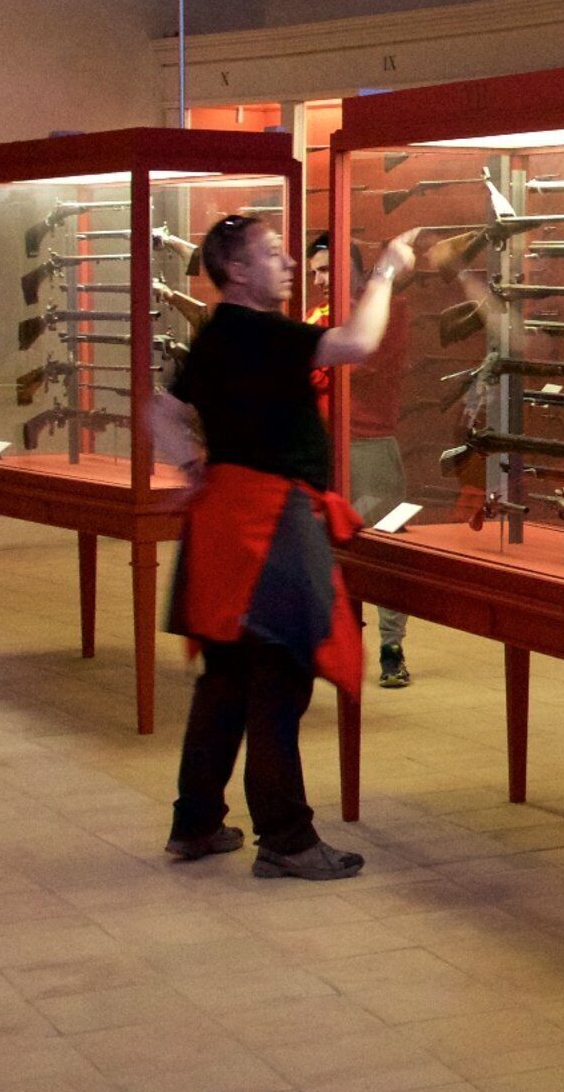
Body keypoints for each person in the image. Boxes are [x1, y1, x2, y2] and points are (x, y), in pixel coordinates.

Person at [153, 212, 418, 880]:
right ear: (238, 271)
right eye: (273, 254)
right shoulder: (264, 334)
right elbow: (358, 343)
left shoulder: (219, 334)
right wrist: (385, 271)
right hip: (268, 524)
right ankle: (288, 838)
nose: (290, 263)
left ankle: (197, 823)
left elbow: (157, 407)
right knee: (278, 681)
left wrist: (190, 466)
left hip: (225, 521)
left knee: (226, 680)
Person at [308, 232, 413, 690]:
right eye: (315, 272)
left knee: (385, 552)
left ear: (353, 267)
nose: (320, 279)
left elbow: (360, 363)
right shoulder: (318, 316)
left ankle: (392, 646)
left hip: (370, 446)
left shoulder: (389, 309)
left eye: (328, 270)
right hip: (326, 449)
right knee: (324, 550)